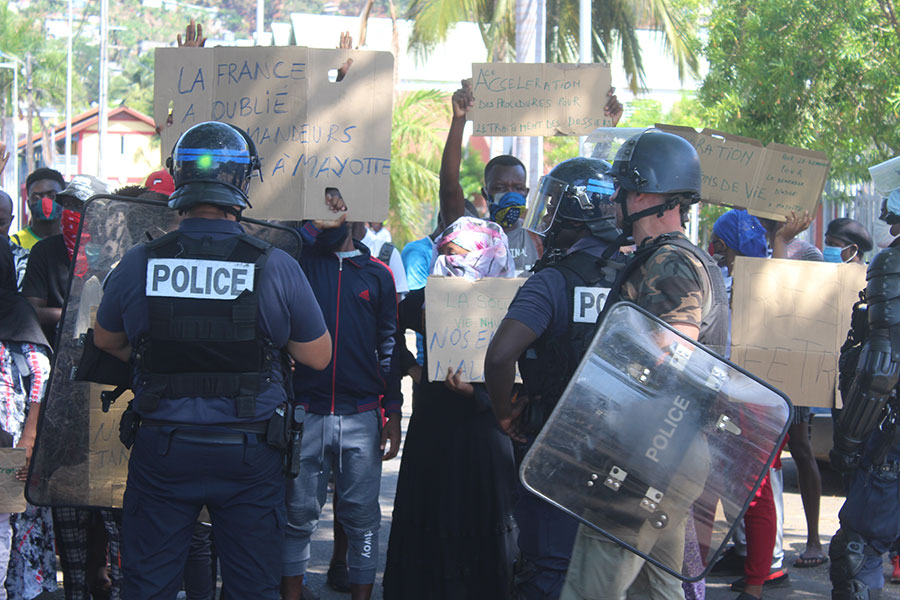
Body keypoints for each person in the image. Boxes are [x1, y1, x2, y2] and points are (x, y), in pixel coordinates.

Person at [92, 121, 332, 598]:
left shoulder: (140, 262)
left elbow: (105, 341)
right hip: (249, 450)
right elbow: (318, 356)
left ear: (179, 178)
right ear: (242, 183)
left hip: (163, 446)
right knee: (250, 585)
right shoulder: (274, 264)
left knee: (149, 585)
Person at [559, 129, 729, 600]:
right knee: (659, 590)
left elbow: (675, 351)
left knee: (591, 588)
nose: (616, 199)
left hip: (647, 450)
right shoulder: (673, 258)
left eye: (625, 188)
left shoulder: (672, 263)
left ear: (649, 195)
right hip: (670, 448)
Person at [484, 157, 620, 599]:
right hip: (625, 446)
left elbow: (502, 354)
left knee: (549, 567)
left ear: (573, 212)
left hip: (557, 445)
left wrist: (505, 415)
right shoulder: (637, 275)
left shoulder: (552, 281)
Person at [383, 215, 518, 599]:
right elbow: (388, 325)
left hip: (486, 434)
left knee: (484, 529)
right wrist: (414, 368)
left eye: (459, 256)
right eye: (444, 255)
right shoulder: (429, 296)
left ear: (487, 256)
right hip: (434, 430)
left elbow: (529, 378)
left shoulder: (515, 301)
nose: (450, 263)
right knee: (431, 523)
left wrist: (479, 395)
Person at [282, 194, 401, 600]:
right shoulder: (298, 264)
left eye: (339, 204)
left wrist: (394, 413)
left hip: (362, 414)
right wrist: (317, 226)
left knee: (363, 521)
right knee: (297, 517)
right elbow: (285, 248)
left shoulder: (378, 275)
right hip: (305, 411)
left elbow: (390, 347)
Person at [439, 80, 623, 275]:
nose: (511, 195)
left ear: (526, 192)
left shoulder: (538, 234)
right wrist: (459, 120)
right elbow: (449, 189)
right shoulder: (471, 235)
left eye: (517, 188)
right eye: (501, 188)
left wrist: (607, 130)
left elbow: (588, 185)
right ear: (486, 193)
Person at [827, 192, 900, 600]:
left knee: (858, 553)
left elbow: (880, 370)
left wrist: (848, 443)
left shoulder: (893, 263)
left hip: (891, 442)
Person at [0, 241, 58, 600]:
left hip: (8, 448)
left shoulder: (13, 310)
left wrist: (29, 436)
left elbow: (39, 369)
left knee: (5, 528)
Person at [11, 168, 66, 251]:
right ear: (29, 203)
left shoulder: (74, 243)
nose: (45, 202)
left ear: (64, 200)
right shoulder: (14, 244)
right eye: (36, 197)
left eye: (52, 196)